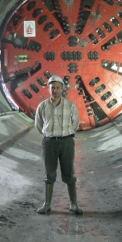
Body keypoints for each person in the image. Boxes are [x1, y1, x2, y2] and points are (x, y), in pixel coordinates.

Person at [35, 75, 83, 215]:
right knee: (49, 174)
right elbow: (39, 125)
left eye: (57, 88)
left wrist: (66, 134)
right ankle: (47, 204)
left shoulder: (70, 105)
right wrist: (49, 134)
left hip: (67, 142)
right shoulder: (42, 106)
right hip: (49, 142)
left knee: (69, 174)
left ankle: (73, 204)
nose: (55, 90)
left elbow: (75, 123)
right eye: (52, 88)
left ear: (62, 89)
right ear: (48, 89)